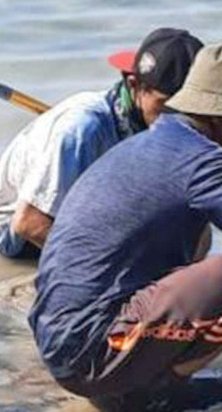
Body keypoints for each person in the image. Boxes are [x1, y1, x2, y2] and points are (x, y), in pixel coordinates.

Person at [29, 43, 222, 412]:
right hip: (89, 352)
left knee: (196, 245)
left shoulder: (145, 145)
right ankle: (152, 395)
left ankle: (127, 380)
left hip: (57, 341)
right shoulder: (204, 161)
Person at [0, 27, 203, 257]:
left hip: (84, 215)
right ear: (135, 85)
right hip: (17, 236)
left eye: (189, 108)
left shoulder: (154, 123)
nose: (180, 117)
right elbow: (29, 224)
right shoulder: (82, 129)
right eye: (167, 105)